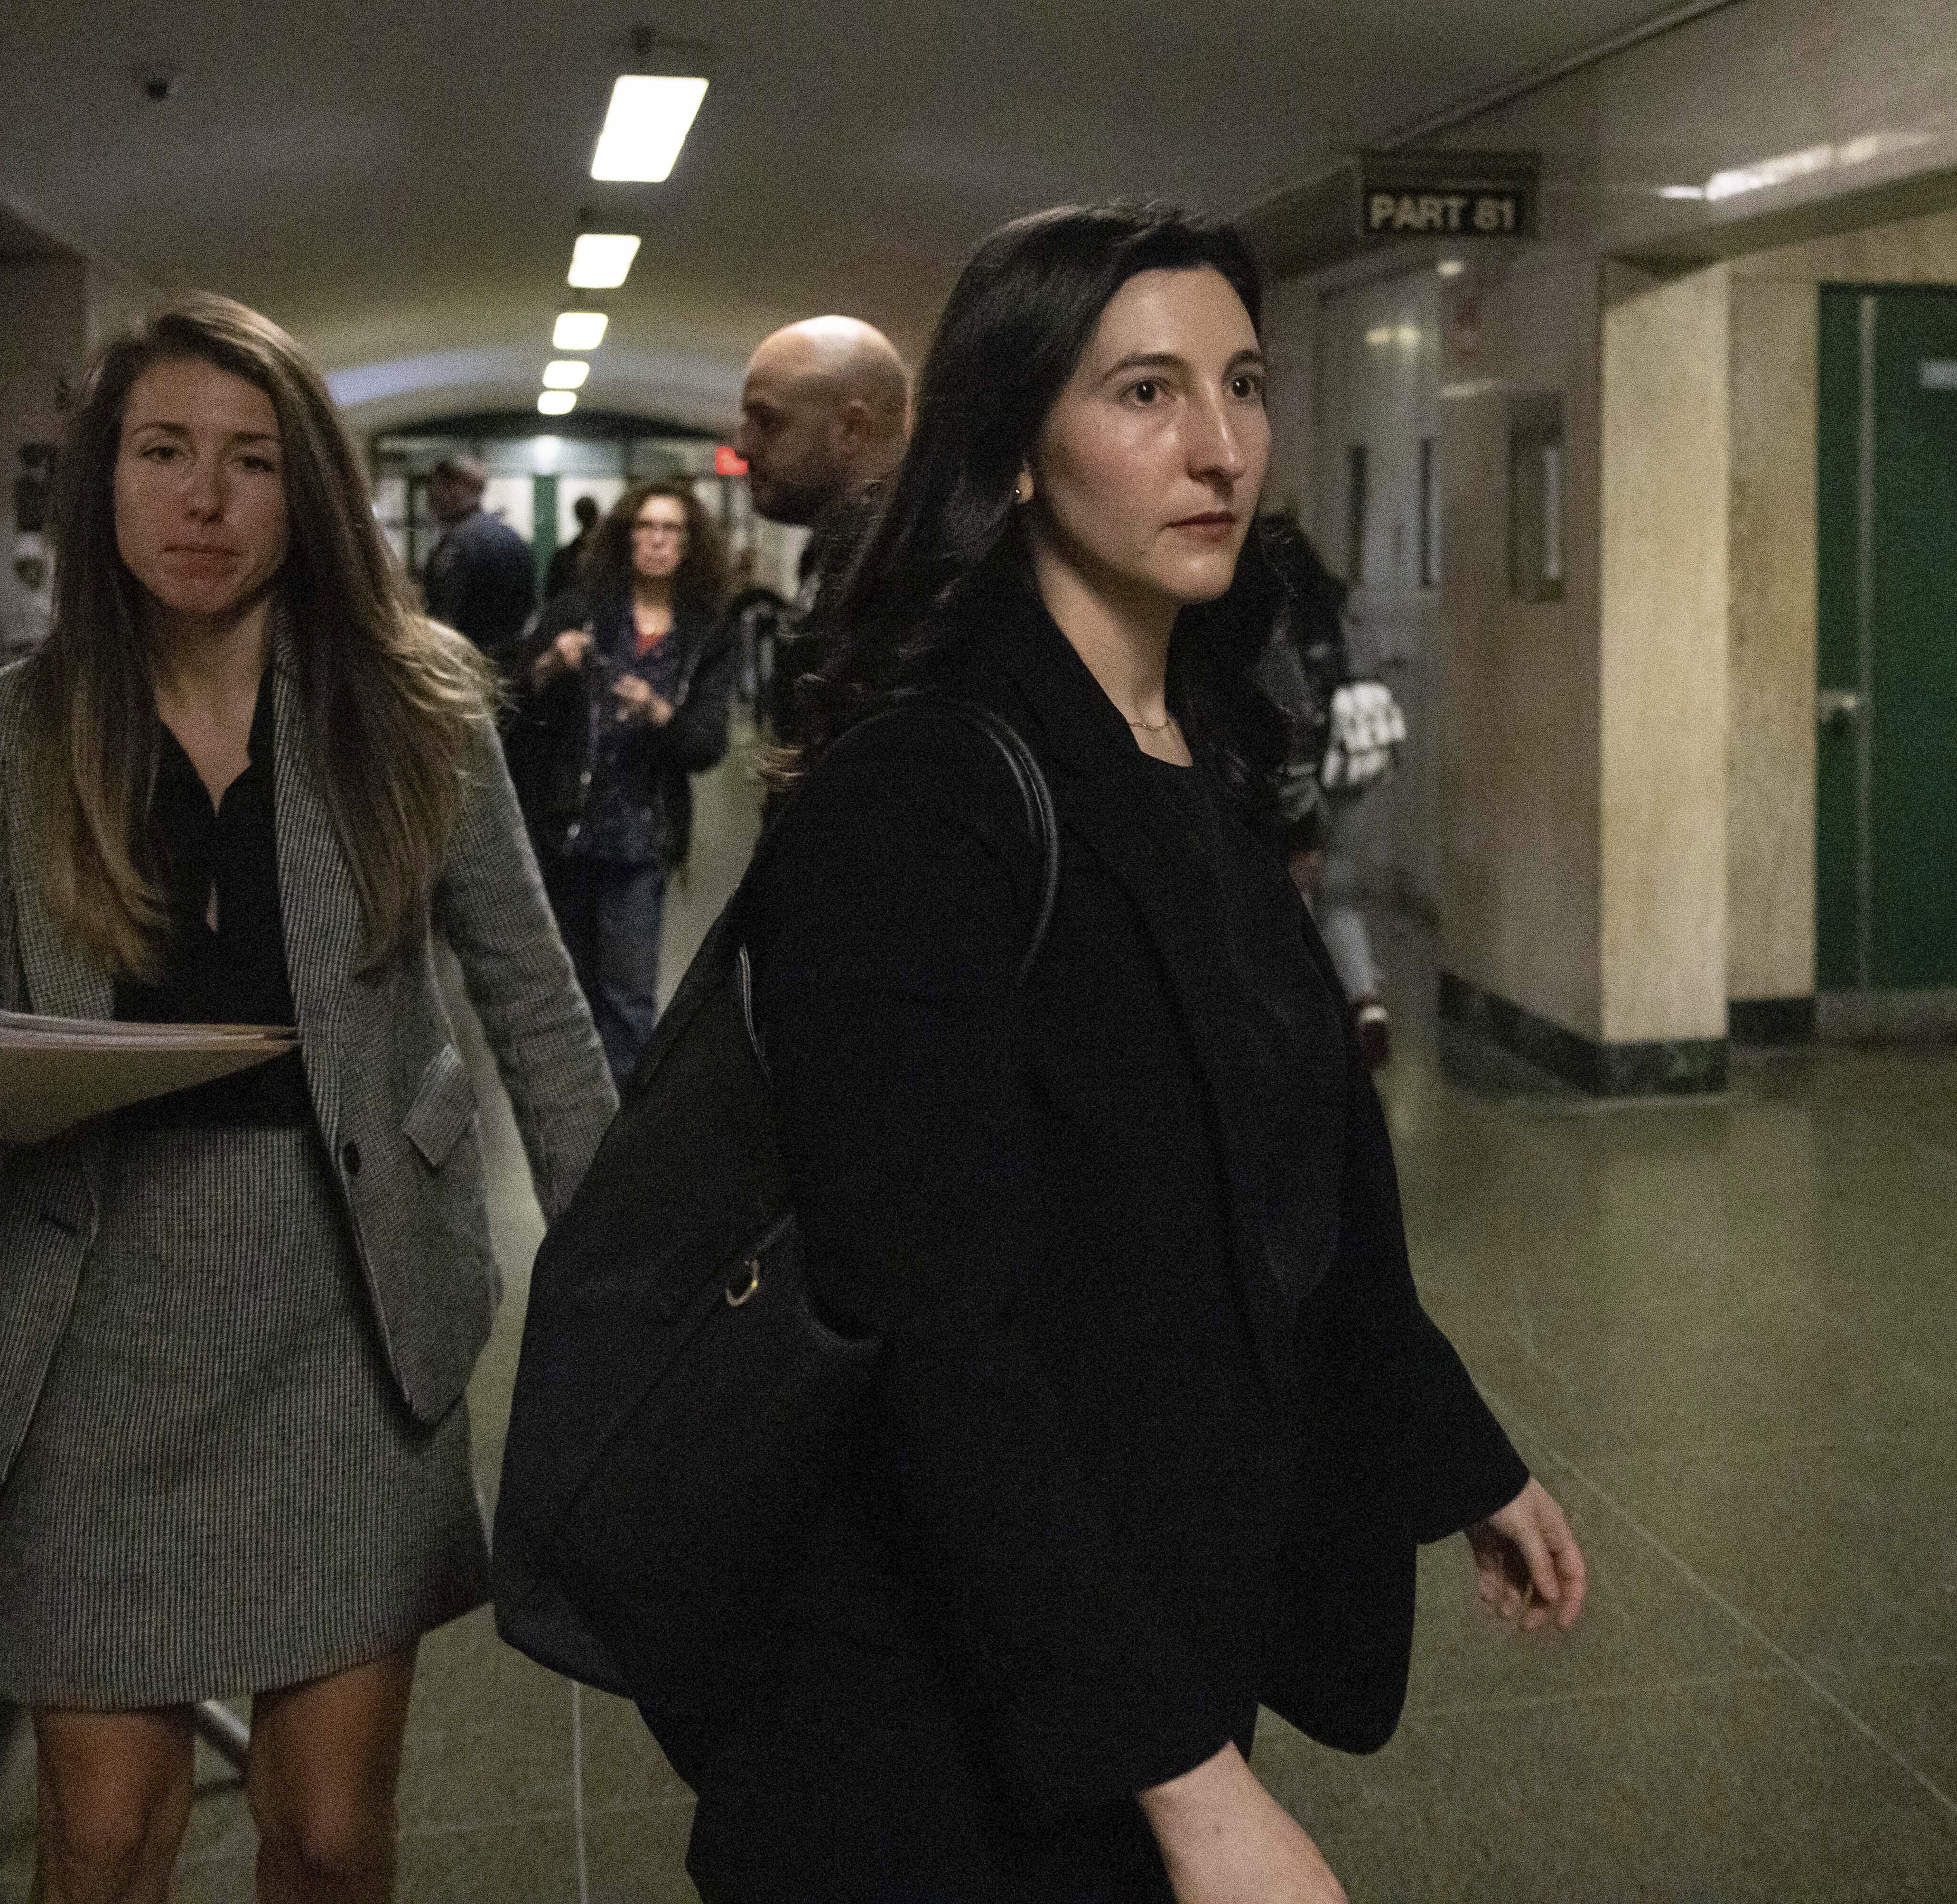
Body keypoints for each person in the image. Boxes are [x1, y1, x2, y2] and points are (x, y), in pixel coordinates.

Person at [676, 202, 1588, 1904]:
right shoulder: (920, 800)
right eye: (1145, 393)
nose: (1219, 445)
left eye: (1240, 386)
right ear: (1016, 447)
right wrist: (1189, 1783)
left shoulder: (1199, 747)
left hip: (1154, 1587)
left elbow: (1292, 1170)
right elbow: (930, 1331)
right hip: (927, 1697)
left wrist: (1457, 1446)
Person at [0, 292, 618, 1903]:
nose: (203, 499)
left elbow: (534, 1000)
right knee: (102, 1842)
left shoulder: (417, 710)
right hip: (96, 1322)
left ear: (306, 491)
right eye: (163, 453)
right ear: (102, 482)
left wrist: (626, 1284)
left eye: (251, 461)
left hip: (344, 1314)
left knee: (325, 1838)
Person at [503, 481, 734, 1088]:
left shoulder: (704, 633)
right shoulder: (580, 612)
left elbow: (707, 744)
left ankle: (621, 1138)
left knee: (628, 1002)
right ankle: (574, 1122)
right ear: (626, 536)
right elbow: (510, 704)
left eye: (671, 530)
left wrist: (660, 713)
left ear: (689, 546)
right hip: (567, 832)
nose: (657, 541)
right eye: (646, 527)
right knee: (568, 996)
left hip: (641, 840)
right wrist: (551, 665)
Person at [1252, 513, 1394, 1068]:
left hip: (1303, 780)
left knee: (1298, 898)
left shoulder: (1276, 627)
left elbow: (1283, 710)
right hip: (1354, 772)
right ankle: (1367, 1002)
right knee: (1339, 891)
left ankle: (1308, 1023)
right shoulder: (1341, 609)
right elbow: (1374, 669)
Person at [729, 314, 910, 740]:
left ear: (851, 430)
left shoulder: (903, 575)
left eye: (767, 422)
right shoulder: (841, 551)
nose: (742, 446)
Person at [419, 451, 537, 660]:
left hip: (465, 660)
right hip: (499, 660)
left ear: (471, 488)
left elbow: (447, 614)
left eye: (447, 484)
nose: (434, 494)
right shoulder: (507, 537)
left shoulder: (460, 543)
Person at [544, 490, 601, 601]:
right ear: (597, 515)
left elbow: (551, 595)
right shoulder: (608, 556)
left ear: (577, 516)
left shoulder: (563, 556)